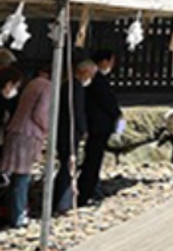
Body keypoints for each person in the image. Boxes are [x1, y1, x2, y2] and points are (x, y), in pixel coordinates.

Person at [1, 68, 51, 228]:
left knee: (12, 177)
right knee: (22, 178)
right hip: (28, 135)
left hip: (14, 132)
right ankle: (18, 215)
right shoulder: (47, 87)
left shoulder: (32, 84)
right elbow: (40, 113)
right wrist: (48, 129)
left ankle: (12, 211)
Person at [77, 49, 122, 206]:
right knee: (92, 160)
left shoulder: (95, 79)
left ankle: (89, 188)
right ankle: (86, 193)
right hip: (98, 126)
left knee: (92, 159)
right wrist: (118, 115)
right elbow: (107, 101)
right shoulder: (96, 80)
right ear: (104, 62)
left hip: (95, 124)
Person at [54, 59, 97, 214]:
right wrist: (83, 129)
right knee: (68, 166)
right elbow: (77, 112)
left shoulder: (69, 85)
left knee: (66, 165)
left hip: (64, 130)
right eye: (91, 74)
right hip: (68, 131)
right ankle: (63, 202)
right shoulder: (75, 87)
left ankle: (61, 200)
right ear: (85, 72)